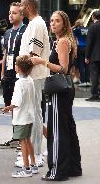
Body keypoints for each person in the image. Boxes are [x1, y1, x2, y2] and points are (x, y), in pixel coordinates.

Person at [31, 11, 82, 181]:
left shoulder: (62, 41)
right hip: (65, 89)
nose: (53, 24)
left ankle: (57, 171)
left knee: (57, 130)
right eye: (51, 21)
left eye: (57, 21)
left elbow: (63, 69)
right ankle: (73, 167)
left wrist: (42, 62)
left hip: (59, 90)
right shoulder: (63, 41)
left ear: (64, 24)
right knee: (67, 128)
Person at [19, 0, 50, 167]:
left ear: (28, 6)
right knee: (32, 113)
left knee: (35, 114)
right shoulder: (34, 23)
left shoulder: (37, 23)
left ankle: (36, 154)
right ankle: (32, 153)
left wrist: (23, 72)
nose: (20, 8)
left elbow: (33, 54)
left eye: (22, 5)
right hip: (31, 75)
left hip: (34, 75)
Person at [1, 55, 38, 178]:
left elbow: (17, 103)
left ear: (19, 68)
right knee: (28, 140)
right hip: (29, 116)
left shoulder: (19, 83)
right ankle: (33, 165)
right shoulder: (30, 80)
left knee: (22, 142)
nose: (15, 66)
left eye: (16, 65)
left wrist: (7, 108)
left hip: (21, 117)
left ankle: (26, 168)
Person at [0, 2, 26, 149]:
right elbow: (5, 54)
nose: (11, 15)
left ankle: (23, 139)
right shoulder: (8, 32)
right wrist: (3, 73)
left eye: (14, 12)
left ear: (22, 15)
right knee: (10, 105)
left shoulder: (25, 31)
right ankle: (16, 137)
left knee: (20, 105)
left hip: (20, 74)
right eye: (10, 12)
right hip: (8, 75)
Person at [85, 10, 100, 101]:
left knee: (94, 75)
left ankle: (94, 94)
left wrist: (87, 56)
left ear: (93, 17)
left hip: (95, 56)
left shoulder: (92, 27)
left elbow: (89, 42)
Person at [72, 19, 90, 87]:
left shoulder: (77, 29)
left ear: (77, 23)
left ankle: (82, 81)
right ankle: (87, 81)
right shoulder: (88, 29)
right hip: (88, 48)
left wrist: (74, 26)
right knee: (87, 64)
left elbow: (70, 31)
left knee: (81, 64)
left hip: (80, 48)